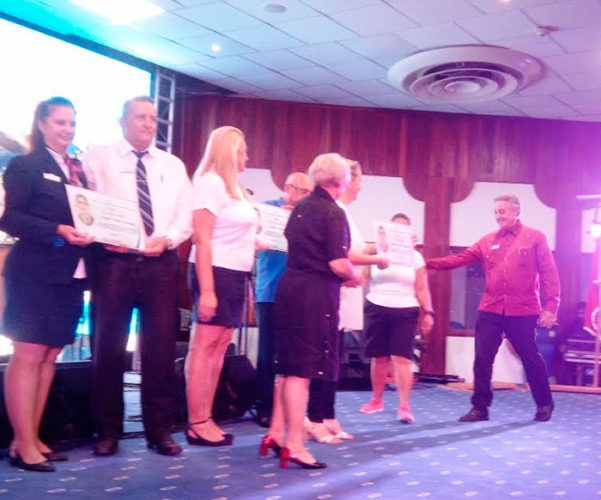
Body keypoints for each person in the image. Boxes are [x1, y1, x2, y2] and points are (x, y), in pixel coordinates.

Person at [84, 96, 193, 456]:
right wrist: (102, 235)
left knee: (160, 350)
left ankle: (159, 431)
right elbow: (85, 207)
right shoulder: (97, 157)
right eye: (140, 117)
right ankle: (107, 431)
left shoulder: (172, 165)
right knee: (108, 348)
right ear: (122, 120)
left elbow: (185, 215)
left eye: (152, 118)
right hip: (113, 263)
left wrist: (169, 239)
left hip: (160, 264)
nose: (148, 123)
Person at [0, 96, 93, 471]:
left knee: (50, 354)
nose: (68, 130)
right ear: (41, 123)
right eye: (60, 122)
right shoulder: (25, 165)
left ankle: (32, 437)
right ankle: (23, 444)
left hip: (70, 274)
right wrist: (57, 230)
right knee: (28, 353)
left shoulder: (78, 171)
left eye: (72, 123)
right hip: (34, 273)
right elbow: (10, 219)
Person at [259, 153, 361, 470]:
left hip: (289, 289)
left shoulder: (299, 207)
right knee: (302, 373)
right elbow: (338, 263)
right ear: (341, 180)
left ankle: (276, 433)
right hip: (314, 295)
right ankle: (294, 444)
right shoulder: (333, 212)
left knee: (287, 368)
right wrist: (353, 276)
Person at [427, 193, 560, 422]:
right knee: (482, 359)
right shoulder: (487, 241)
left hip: (523, 311)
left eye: (502, 211)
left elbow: (549, 273)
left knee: (530, 358)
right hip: (490, 309)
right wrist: (426, 263)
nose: (498, 216)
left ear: (516, 211)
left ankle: (544, 404)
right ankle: (480, 408)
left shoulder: (535, 237)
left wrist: (551, 306)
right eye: (496, 212)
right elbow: (459, 259)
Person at [305, 160, 388, 443]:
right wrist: (376, 260)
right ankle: (315, 416)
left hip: (344, 293)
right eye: (359, 180)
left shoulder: (344, 212)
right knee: (325, 358)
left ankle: (328, 414)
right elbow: (343, 255)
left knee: (334, 359)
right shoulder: (335, 210)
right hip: (333, 292)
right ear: (347, 180)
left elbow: (355, 249)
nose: (361, 186)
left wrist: (383, 246)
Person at [184, 126, 258, 446]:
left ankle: (207, 416)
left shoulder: (233, 188)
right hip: (215, 273)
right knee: (204, 347)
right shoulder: (210, 183)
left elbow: (234, 234)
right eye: (242, 151)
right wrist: (208, 290)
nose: (247, 157)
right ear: (229, 151)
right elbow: (202, 238)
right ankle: (196, 421)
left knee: (218, 349)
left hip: (235, 274)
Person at [359, 213, 434, 423]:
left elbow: (422, 287)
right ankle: (376, 399)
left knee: (402, 359)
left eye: (404, 229)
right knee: (379, 357)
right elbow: (362, 274)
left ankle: (404, 405)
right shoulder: (375, 252)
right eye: (396, 228)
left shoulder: (415, 257)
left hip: (405, 309)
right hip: (376, 305)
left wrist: (428, 312)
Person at [254, 172, 313, 427]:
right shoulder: (268, 208)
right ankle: (265, 407)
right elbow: (255, 235)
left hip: (298, 293)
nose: (306, 197)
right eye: (303, 192)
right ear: (289, 188)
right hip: (270, 290)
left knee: (292, 353)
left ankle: (290, 407)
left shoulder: (307, 213)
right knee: (267, 352)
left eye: (309, 193)